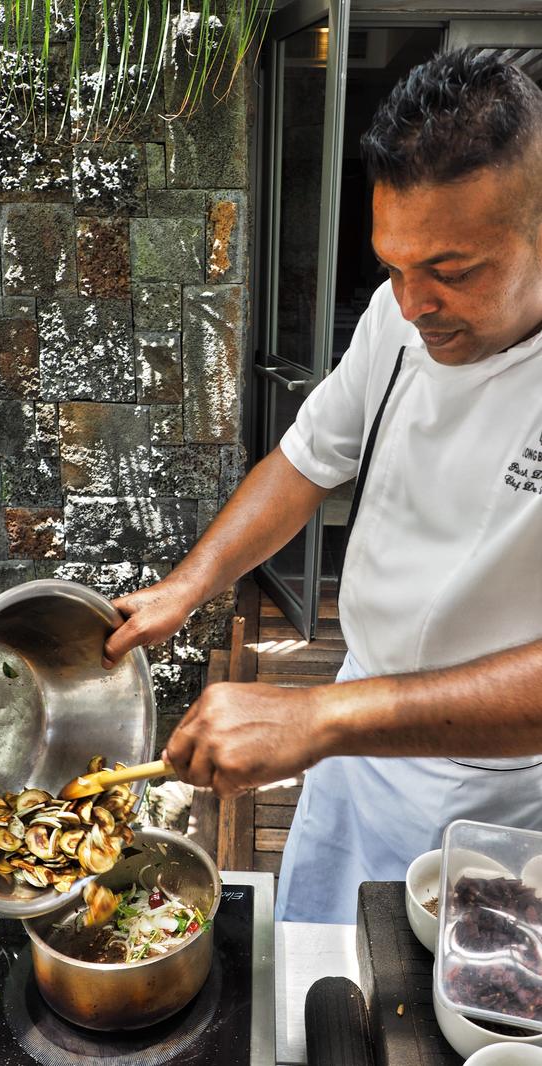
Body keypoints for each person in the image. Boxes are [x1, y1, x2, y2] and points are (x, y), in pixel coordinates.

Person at [103, 50, 542, 923]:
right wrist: (189, 586)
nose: (413, 304)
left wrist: (321, 718)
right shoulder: (398, 319)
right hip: (356, 736)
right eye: (393, 266)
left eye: (452, 270)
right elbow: (307, 459)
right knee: (315, 972)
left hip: (502, 790)